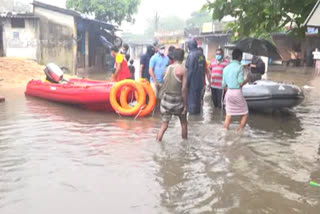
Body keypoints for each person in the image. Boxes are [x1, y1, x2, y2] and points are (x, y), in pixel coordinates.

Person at [157, 48, 187, 141]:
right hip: (177, 100)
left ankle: (158, 142)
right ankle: (185, 145)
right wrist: (185, 105)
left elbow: (163, 81)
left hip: (166, 100)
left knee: (164, 125)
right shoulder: (183, 70)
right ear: (182, 58)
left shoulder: (166, 69)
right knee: (183, 123)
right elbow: (183, 89)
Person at [222, 48, 248, 131]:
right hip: (237, 92)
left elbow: (223, 85)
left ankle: (225, 132)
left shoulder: (226, 68)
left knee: (228, 114)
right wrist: (247, 80)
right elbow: (240, 83)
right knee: (245, 113)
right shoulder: (239, 67)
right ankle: (239, 132)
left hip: (228, 92)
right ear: (240, 57)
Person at [185, 38, 205, 114]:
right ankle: (198, 117)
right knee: (198, 101)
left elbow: (189, 70)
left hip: (192, 83)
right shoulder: (201, 55)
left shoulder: (191, 55)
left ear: (190, 46)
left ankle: (193, 120)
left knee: (192, 103)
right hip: (200, 82)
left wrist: (186, 83)